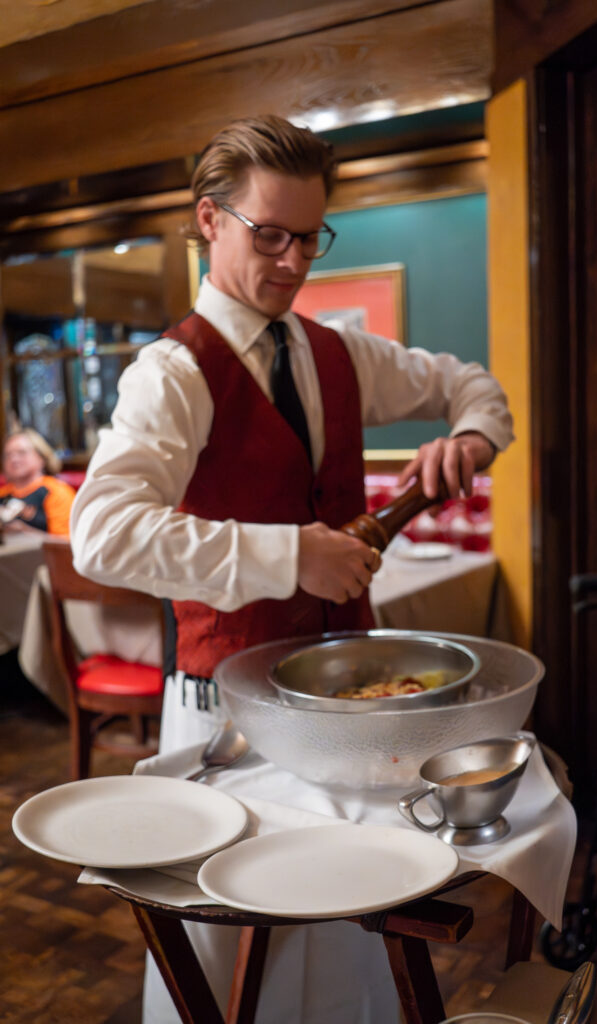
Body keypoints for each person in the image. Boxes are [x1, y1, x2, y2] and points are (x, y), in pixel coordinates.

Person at [70, 114, 514, 1023]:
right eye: (270, 235)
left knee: (346, 921)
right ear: (209, 220)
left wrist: (469, 438)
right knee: (229, 943)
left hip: (348, 711)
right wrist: (288, 555)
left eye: (311, 238)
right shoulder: (171, 373)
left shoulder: (336, 353)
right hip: (225, 717)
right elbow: (102, 535)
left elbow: (474, 386)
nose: (294, 261)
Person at [0, 428, 75, 535]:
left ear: (42, 457)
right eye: (8, 455)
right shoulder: (3, 493)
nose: (14, 459)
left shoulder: (57, 492)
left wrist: (25, 532)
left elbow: (67, 541)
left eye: (21, 452)